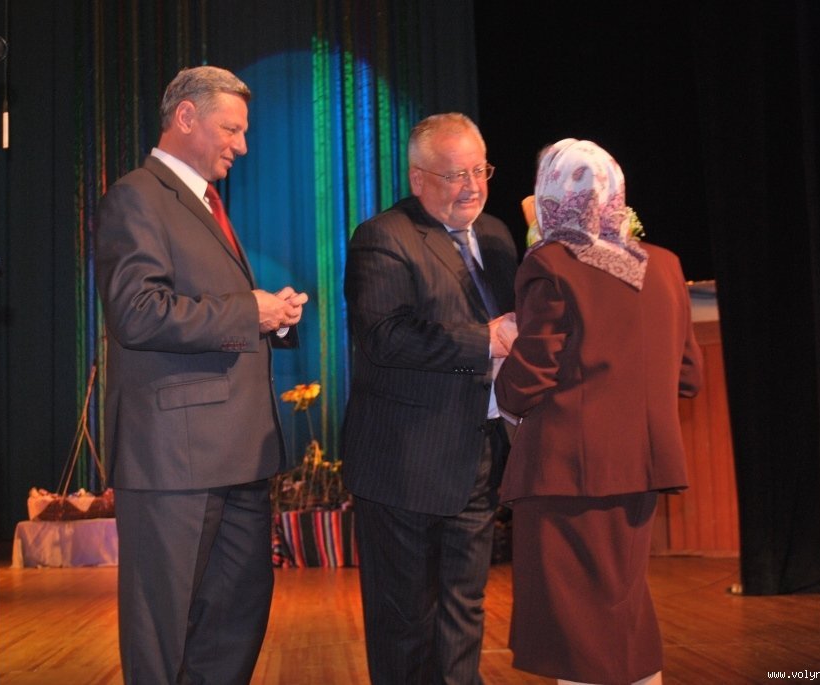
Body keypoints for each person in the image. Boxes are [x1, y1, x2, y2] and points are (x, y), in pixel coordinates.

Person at [94, 65, 308, 685]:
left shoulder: (206, 205)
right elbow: (137, 312)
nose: (243, 145)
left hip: (238, 457)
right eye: (232, 129)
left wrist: (271, 317)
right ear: (186, 117)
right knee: (163, 634)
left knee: (234, 625)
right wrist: (248, 311)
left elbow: (204, 309)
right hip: (174, 463)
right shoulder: (137, 195)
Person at [495, 138, 703, 685]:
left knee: (576, 632)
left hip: (567, 474)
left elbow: (530, 374)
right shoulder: (664, 265)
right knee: (621, 614)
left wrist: (501, 386)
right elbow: (689, 376)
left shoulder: (551, 263)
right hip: (641, 468)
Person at [342, 112, 518, 684]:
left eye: (480, 170)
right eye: (454, 175)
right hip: (406, 464)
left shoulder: (497, 235)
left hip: (479, 454)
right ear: (418, 178)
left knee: (464, 613)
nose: (471, 186)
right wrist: (485, 340)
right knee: (406, 626)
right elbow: (385, 336)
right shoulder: (383, 237)